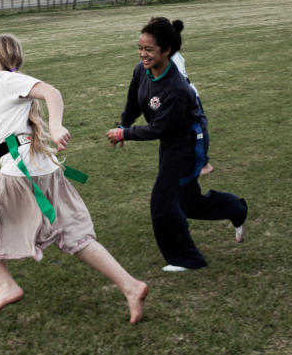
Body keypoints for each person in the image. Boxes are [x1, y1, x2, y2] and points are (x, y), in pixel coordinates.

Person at [0, 34, 148, 323]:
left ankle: (6, 285)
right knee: (74, 236)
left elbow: (52, 92)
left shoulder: (5, 81)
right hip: (43, 170)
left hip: (21, 174)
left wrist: (55, 126)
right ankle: (131, 286)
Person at [106, 18, 248, 272]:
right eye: (140, 48)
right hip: (172, 140)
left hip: (189, 142)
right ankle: (236, 208)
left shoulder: (177, 88)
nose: (143, 54)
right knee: (186, 201)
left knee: (162, 201)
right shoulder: (142, 70)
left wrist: (124, 134)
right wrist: (122, 124)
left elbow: (160, 128)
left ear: (167, 50)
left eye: (149, 49)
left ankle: (186, 258)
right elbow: (133, 104)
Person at [169, 19, 213, 175]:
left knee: (198, 128)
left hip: (187, 96)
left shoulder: (170, 53)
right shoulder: (171, 52)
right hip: (179, 97)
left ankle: (203, 165)